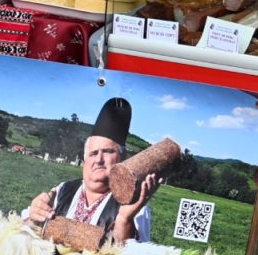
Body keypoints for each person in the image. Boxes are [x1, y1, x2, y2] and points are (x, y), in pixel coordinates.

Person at [27, 97, 159, 245]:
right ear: (85, 159)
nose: (99, 159)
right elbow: (25, 232)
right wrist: (34, 215)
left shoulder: (134, 205)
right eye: (93, 153)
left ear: (122, 158)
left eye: (108, 151)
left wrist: (124, 220)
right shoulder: (62, 189)